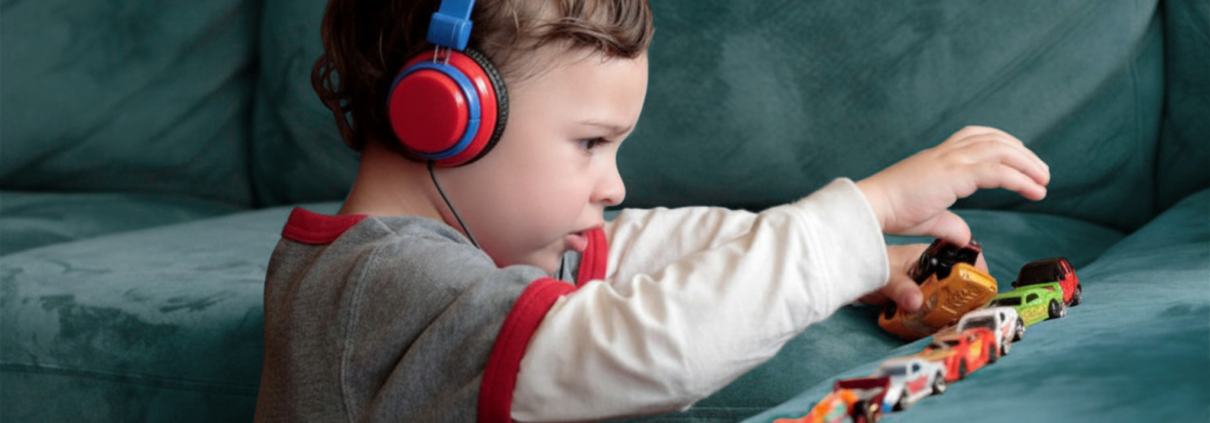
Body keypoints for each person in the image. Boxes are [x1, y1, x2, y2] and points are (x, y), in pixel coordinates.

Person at [253, 0, 1051, 422]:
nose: (614, 185)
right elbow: (650, 346)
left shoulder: (480, 247)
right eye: (592, 143)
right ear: (444, 116)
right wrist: (864, 205)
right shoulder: (376, 285)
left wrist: (867, 257)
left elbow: (644, 246)